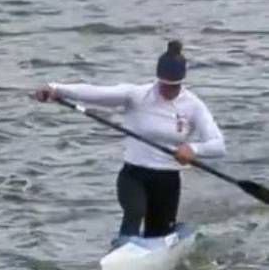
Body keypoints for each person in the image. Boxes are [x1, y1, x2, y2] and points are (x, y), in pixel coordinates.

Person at [34, 40, 226, 239]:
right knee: (134, 211)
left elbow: (218, 145)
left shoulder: (194, 106)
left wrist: (194, 149)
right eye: (164, 85)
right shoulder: (136, 95)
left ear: (181, 82)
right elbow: (95, 93)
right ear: (158, 79)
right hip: (134, 176)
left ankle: (164, 238)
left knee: (157, 233)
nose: (167, 91)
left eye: (173, 86)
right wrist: (56, 89)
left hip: (167, 181)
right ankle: (124, 249)